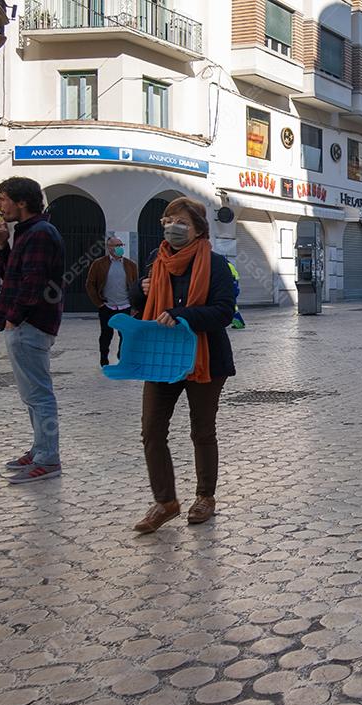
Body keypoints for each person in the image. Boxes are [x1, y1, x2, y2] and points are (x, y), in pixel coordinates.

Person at [129, 197, 236, 532]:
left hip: (205, 359)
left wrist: (182, 315)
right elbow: (138, 303)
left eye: (181, 223)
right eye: (168, 220)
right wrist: (140, 290)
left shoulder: (215, 264)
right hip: (161, 359)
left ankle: (205, 497)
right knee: (151, 430)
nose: (172, 227)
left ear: (198, 229)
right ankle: (165, 502)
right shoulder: (155, 261)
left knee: (202, 431)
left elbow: (224, 312)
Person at [0, 177, 66, 483]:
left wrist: (15, 316)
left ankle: (48, 459)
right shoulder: (29, 232)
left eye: (4, 199)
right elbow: (13, 272)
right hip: (26, 322)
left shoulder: (39, 233)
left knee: (39, 394)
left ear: (22, 202)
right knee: (32, 394)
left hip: (30, 324)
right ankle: (39, 450)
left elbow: (32, 281)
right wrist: (2, 245)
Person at [86, 235, 138, 366]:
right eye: (117, 246)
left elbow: (135, 285)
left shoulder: (130, 265)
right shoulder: (99, 264)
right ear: (109, 248)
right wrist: (99, 303)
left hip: (125, 305)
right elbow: (90, 284)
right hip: (107, 306)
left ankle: (122, 355)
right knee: (106, 334)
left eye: (121, 245)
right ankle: (104, 358)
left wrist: (134, 305)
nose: (120, 248)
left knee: (125, 333)